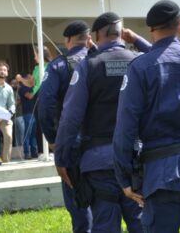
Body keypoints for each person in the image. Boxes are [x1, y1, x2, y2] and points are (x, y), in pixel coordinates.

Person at [114, 0, 180, 233]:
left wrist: (125, 177)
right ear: (179, 24)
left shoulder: (140, 67)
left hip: (160, 171)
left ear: (152, 30)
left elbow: (126, 126)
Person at [56, 13, 143, 233]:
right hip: (137, 159)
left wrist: (62, 158)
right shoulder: (141, 62)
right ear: (121, 33)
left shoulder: (89, 66)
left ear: (97, 35)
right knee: (142, 224)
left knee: (105, 225)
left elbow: (71, 117)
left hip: (100, 162)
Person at [34, 21, 94, 232]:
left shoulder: (59, 65)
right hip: (105, 143)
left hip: (72, 144)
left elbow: (45, 105)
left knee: (78, 201)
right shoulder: (100, 60)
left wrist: (53, 139)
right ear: (88, 39)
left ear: (68, 40)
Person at [18, 72, 39, 159]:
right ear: (25, 79)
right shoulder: (23, 88)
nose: (32, 79)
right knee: (28, 133)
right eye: (30, 78)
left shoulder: (32, 88)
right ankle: (27, 152)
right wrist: (37, 88)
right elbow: (30, 96)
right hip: (28, 113)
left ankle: (34, 152)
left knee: (33, 133)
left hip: (34, 113)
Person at [11, 78, 25, 160]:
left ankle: (21, 152)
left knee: (21, 134)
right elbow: (17, 101)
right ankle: (19, 153)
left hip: (19, 115)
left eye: (16, 83)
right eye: (12, 83)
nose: (14, 85)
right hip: (14, 116)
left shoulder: (19, 91)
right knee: (17, 134)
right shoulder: (12, 92)